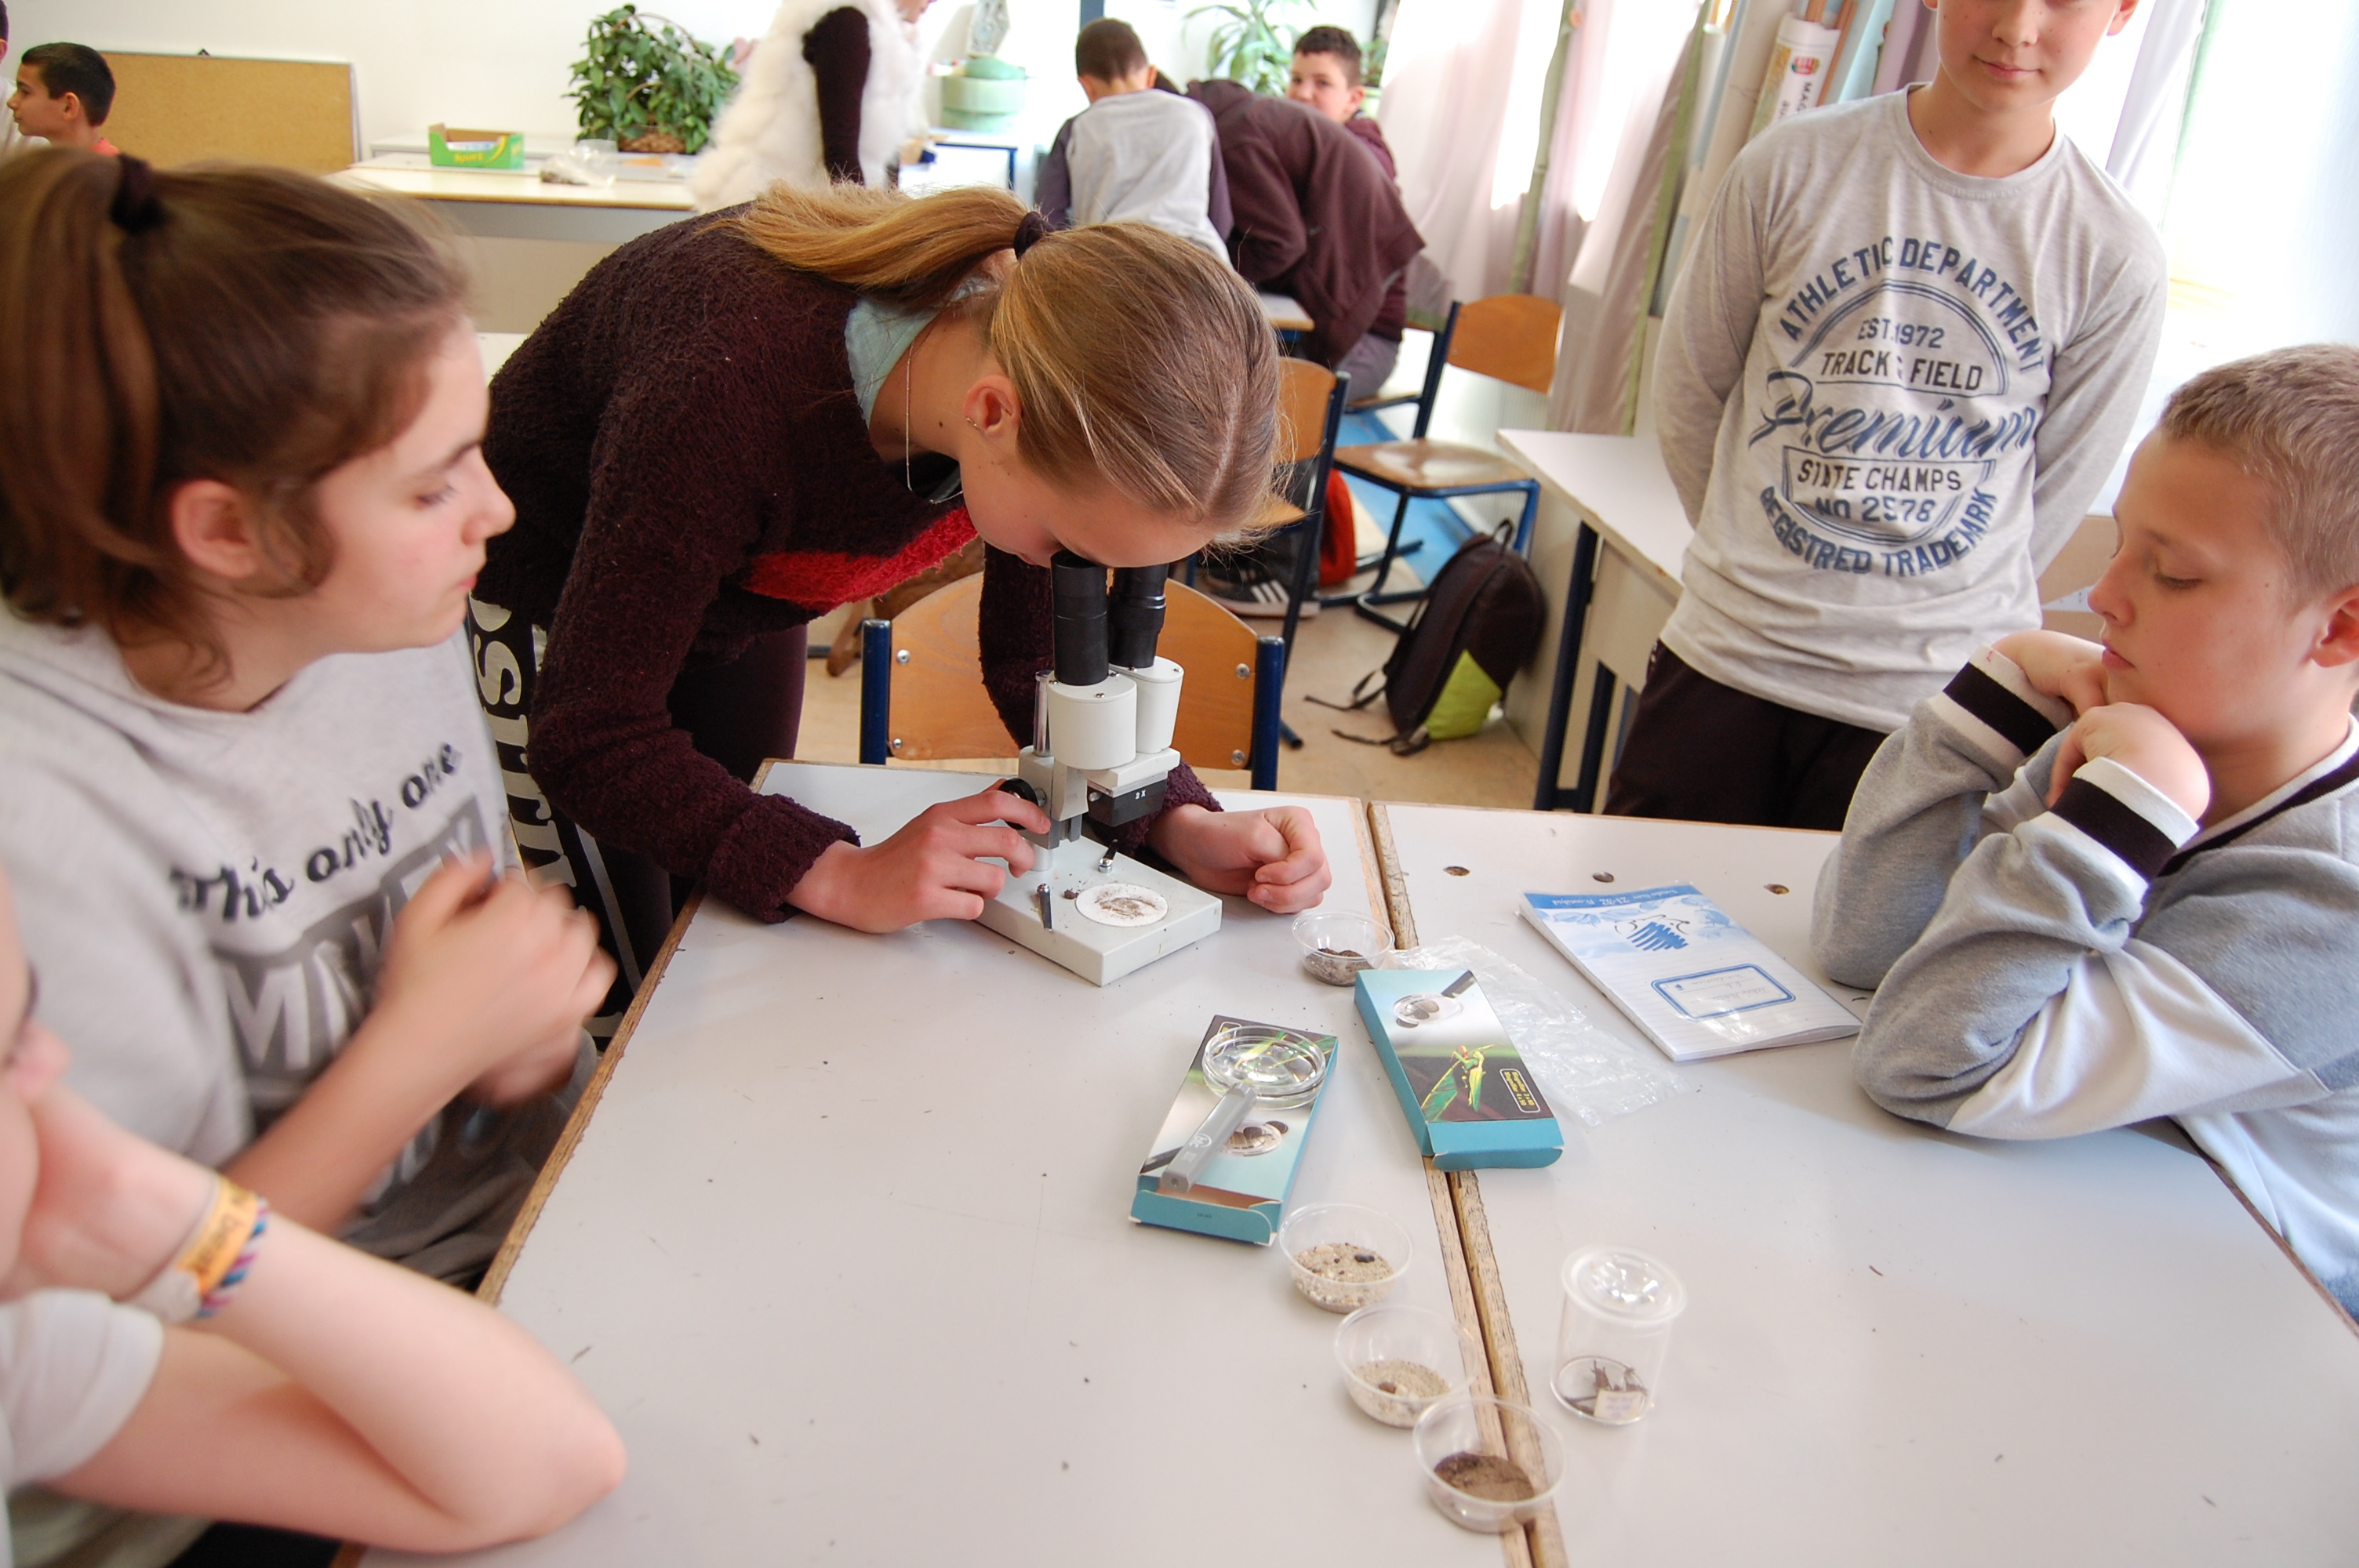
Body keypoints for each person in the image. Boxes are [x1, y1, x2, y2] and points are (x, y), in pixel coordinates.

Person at [0, 151, 613, 1312]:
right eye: (432, 487)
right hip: (290, 1353)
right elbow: (126, 1315)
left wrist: (519, 1035)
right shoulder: (39, 822)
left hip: (550, 1230)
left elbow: (505, 1034)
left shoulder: (381, 609)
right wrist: (426, 1048)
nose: (496, 510)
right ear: (232, 533)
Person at [474, 183, 1332, 984]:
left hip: (748, 575)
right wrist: (840, 871)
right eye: (1073, 549)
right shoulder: (724, 394)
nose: (1074, 580)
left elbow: (1032, 661)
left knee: (729, 932)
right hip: (561, 583)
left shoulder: (1022, 390)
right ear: (991, 414)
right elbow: (590, 735)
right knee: (631, 964)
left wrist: (1175, 821)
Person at [1815, 346, 2359, 1316]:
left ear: (2339, 629)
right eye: (2119, 544)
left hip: (2248, 1309)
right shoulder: (2141, 739)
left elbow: (1924, 1062)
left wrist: (2120, 816)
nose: (2103, 597)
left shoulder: (2327, 905)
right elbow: (1869, 945)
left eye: (2171, 573)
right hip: (2076, 1214)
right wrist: (1986, 705)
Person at [1609, 0, 2166, 831]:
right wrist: (1757, 553)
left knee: (1856, 921)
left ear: (2121, 11)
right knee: (1638, 899)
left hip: (1934, 701)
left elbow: (2055, 488)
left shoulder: (2112, 251)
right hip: (1730, 657)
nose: (2017, 28)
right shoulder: (1790, 164)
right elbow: (1691, 390)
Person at [0, 860, 625, 1556]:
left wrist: (177, 1215)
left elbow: (561, 1459)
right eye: (10, 1049)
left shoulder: (23, 1355)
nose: (52, 1061)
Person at [1189, 76, 1419, 394]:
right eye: (1296, 79)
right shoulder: (1275, 130)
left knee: (1238, 398)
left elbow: (1282, 246)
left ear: (1354, 98)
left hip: (1366, 340)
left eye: (1322, 83)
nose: (1303, 93)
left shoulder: (1242, 135)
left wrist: (1211, 267)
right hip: (1325, 324)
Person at [691, 0, 929, 209]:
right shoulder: (846, 21)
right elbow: (841, 157)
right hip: (768, 205)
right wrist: (875, 227)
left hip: (794, 203)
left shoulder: (885, 34)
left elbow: (884, 157)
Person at [1033, 20, 1227, 262]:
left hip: (1112, 263)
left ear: (1086, 85)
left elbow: (1047, 220)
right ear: (1151, 74)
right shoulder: (1195, 116)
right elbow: (1220, 219)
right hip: (1199, 262)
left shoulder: (1078, 128)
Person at [7, 42, 115, 156]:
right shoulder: (52, 164)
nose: (11, 102)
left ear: (68, 107)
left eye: (25, 92)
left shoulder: (106, 167)